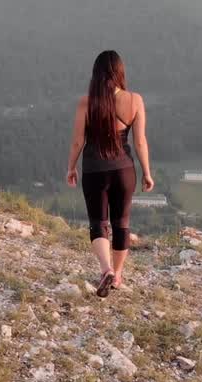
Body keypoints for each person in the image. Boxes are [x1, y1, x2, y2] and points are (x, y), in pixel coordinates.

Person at [65, 50, 154, 297]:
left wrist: (71, 167)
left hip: (94, 171)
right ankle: (118, 274)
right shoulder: (135, 100)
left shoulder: (87, 102)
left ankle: (105, 270)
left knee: (98, 222)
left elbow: (77, 142)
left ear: (96, 73)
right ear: (120, 72)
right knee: (121, 223)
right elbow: (140, 141)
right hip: (124, 171)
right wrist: (147, 172)